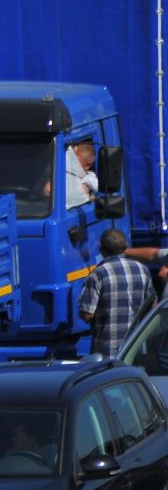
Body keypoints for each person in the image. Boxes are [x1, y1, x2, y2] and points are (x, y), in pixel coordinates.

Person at [79, 228, 156, 358]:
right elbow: (152, 305)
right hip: (136, 350)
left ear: (101, 248)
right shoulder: (142, 270)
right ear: (125, 247)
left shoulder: (98, 274)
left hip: (108, 350)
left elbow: (87, 314)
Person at [64, 138, 99, 209]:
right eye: (87, 164)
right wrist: (86, 196)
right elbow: (48, 190)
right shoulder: (58, 163)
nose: (87, 168)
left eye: (89, 165)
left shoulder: (89, 176)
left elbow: (98, 185)